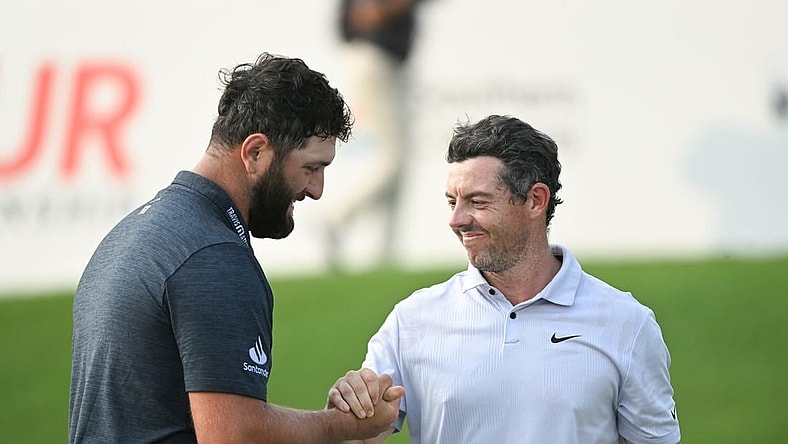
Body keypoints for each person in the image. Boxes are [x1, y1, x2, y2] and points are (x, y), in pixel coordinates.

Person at [69, 52, 404, 444]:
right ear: (256, 152)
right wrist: (346, 426)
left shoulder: (129, 236)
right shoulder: (214, 258)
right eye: (311, 168)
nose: (316, 190)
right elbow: (234, 435)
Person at [327, 115, 681, 444]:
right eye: (452, 202)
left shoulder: (627, 323)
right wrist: (346, 412)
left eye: (477, 201)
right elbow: (359, 433)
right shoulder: (413, 320)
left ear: (535, 200)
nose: (456, 219)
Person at [324, 0, 428, 267]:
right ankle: (335, 216)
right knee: (392, 160)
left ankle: (384, 256)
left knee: (398, 164)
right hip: (374, 58)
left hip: (387, 63)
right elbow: (368, 14)